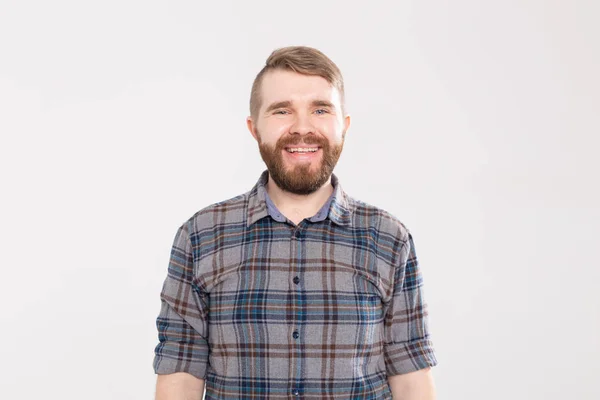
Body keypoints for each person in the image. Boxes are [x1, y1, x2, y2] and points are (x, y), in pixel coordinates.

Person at [153, 45, 438, 399]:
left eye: (320, 109)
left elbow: (411, 378)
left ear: (343, 126)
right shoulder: (200, 236)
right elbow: (180, 374)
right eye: (282, 110)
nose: (302, 128)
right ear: (254, 128)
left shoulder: (389, 238)